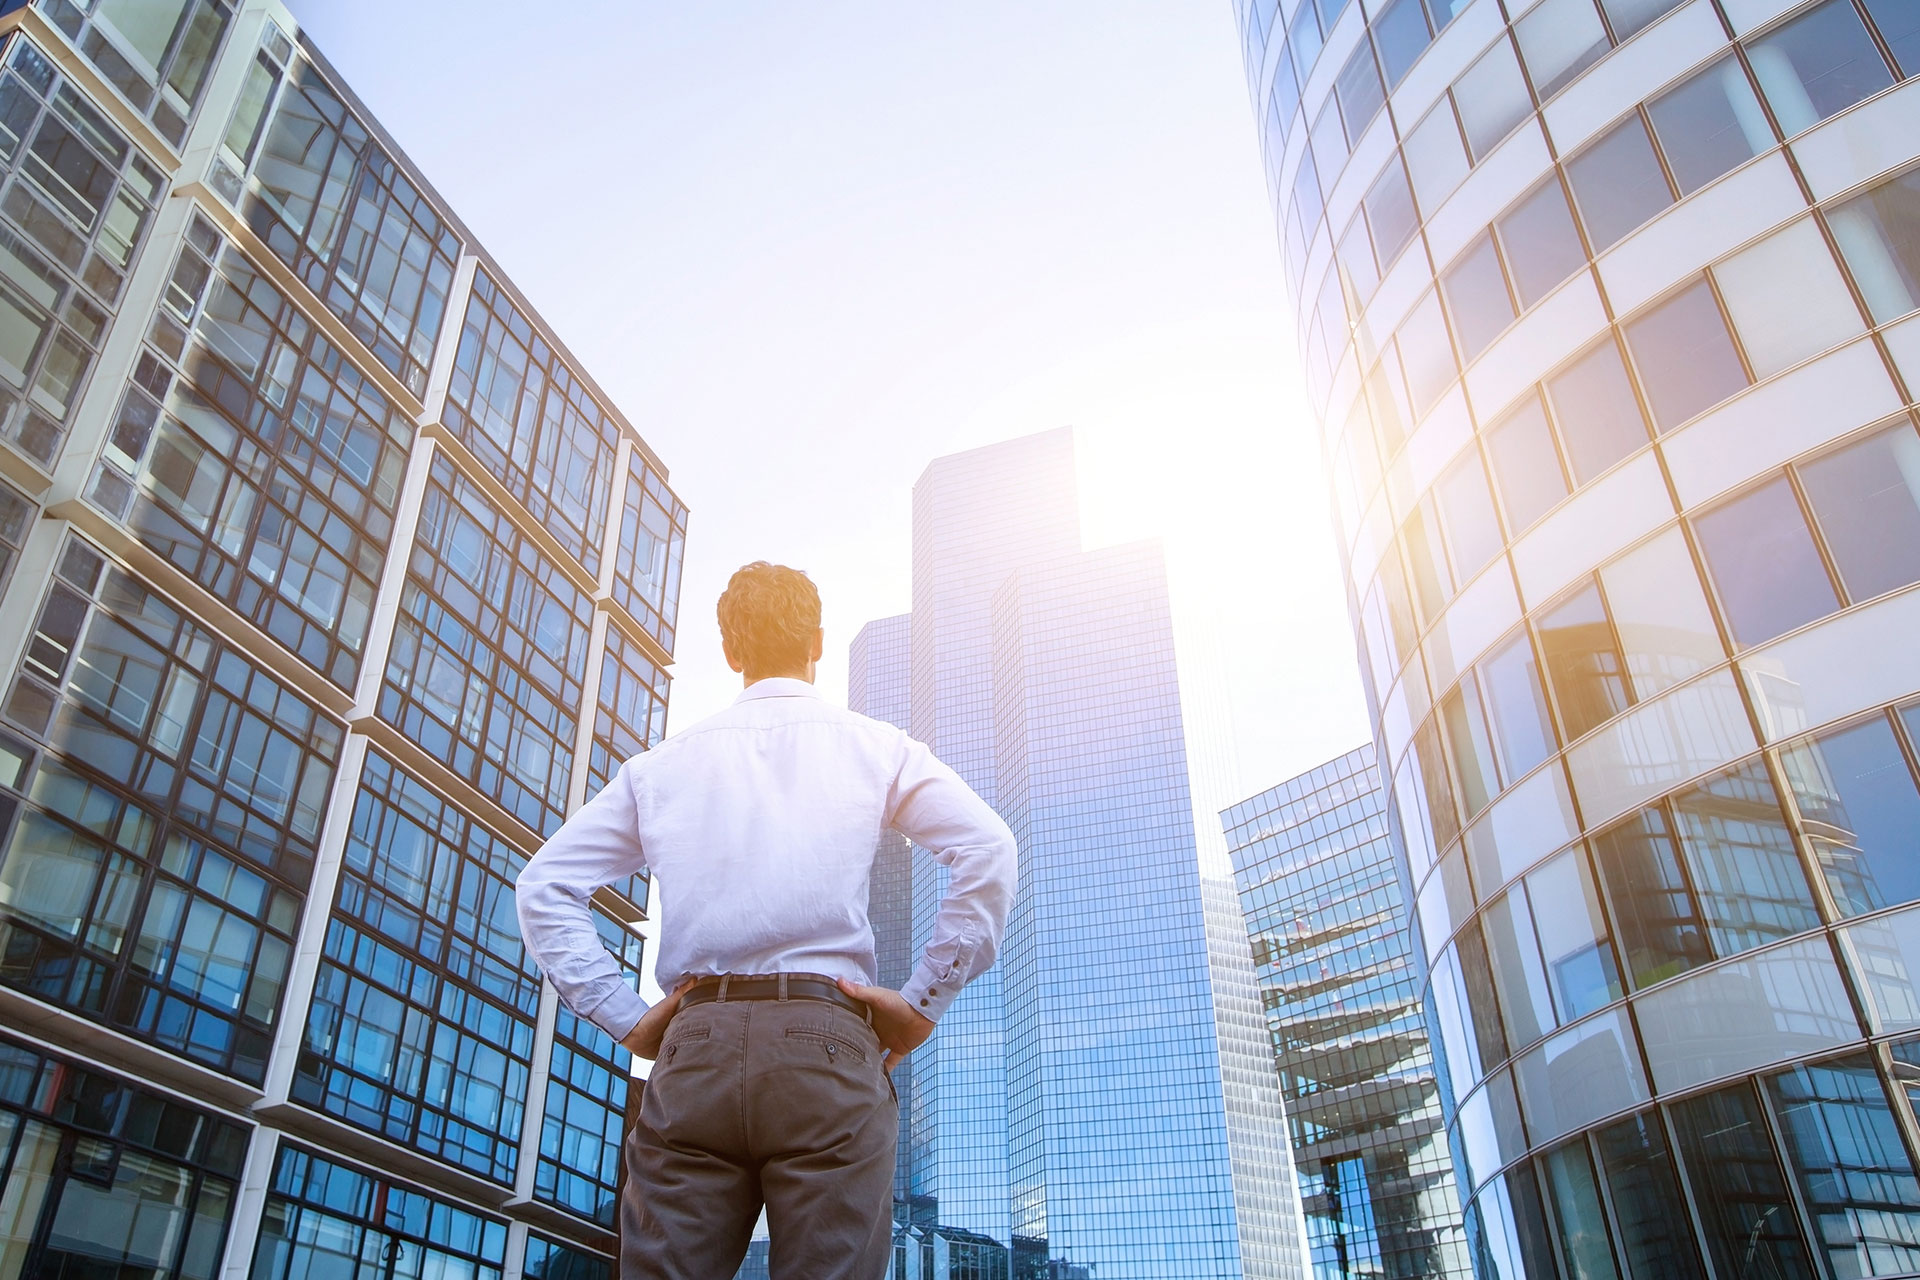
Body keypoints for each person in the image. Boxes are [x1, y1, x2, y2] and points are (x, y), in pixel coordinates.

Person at [516, 560, 1017, 1279]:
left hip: (697, 1050)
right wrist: (920, 1004)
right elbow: (988, 849)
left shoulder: (659, 769)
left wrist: (627, 1017)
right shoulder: (877, 748)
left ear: (731, 652)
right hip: (830, 1047)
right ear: (818, 641)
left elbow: (544, 887)